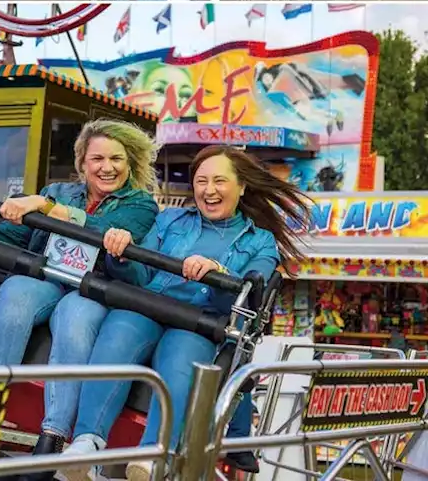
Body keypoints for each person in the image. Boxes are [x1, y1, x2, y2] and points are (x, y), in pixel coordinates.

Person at [0, 120, 160, 478]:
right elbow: (6, 238)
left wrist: (44, 207)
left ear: (131, 162)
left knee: (75, 318)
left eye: (116, 159)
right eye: (97, 159)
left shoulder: (140, 205)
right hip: (47, 280)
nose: (106, 167)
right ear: (82, 163)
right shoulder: (59, 192)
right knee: (16, 290)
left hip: (94, 288)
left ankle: (53, 438)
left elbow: (102, 232)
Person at [61, 146, 309, 481]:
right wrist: (121, 255)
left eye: (219, 181)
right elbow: (140, 275)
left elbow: (252, 294)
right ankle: (86, 443)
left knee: (183, 360)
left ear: (242, 187)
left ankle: (152, 455)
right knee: (118, 335)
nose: (209, 190)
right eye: (201, 181)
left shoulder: (260, 242)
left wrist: (219, 273)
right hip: (149, 306)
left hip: (200, 322)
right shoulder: (170, 219)